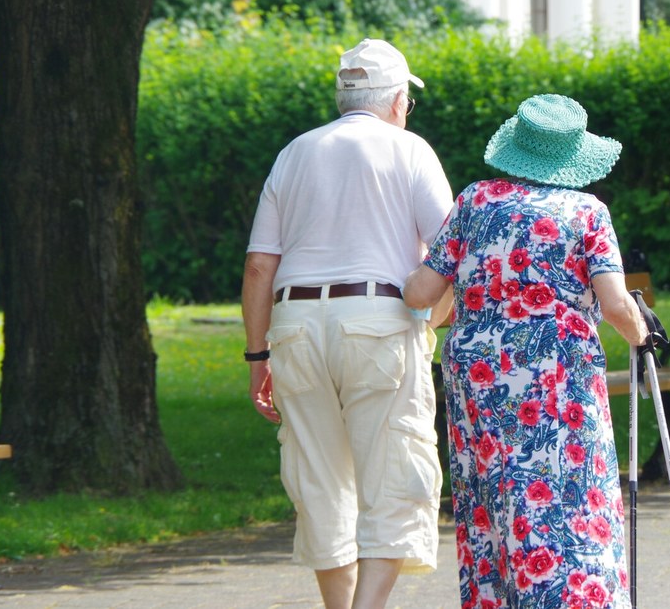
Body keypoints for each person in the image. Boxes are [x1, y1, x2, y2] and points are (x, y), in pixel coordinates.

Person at [404, 93, 649, 608]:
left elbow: (421, 295)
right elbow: (616, 305)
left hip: (480, 377)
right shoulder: (587, 212)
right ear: (572, 157)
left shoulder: (473, 202)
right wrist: (642, 335)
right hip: (558, 378)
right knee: (568, 491)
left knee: (492, 495)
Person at [240, 38, 453, 609]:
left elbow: (261, 264)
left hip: (296, 327)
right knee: (394, 477)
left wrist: (258, 357)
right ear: (397, 100)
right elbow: (452, 253)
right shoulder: (409, 151)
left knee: (319, 484)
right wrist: (432, 321)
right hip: (380, 321)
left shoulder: (294, 152)